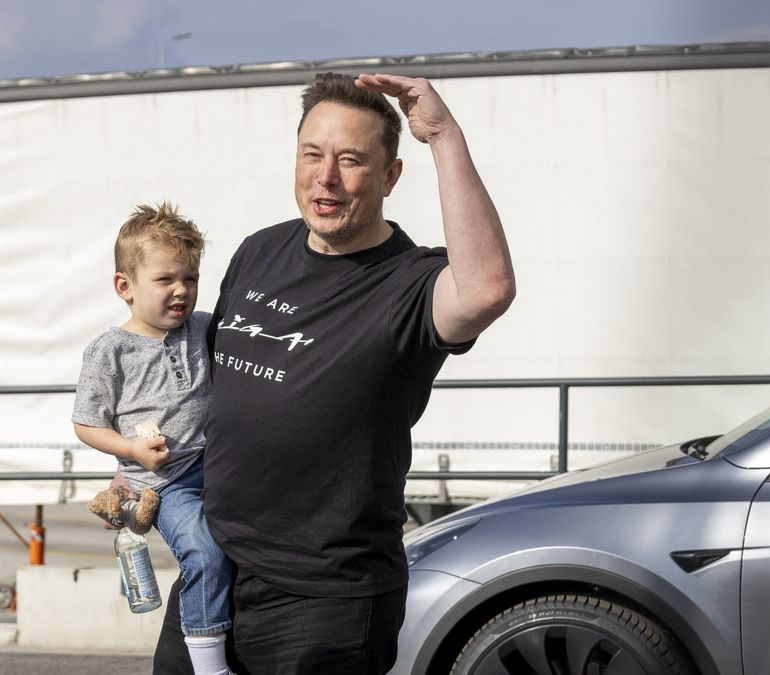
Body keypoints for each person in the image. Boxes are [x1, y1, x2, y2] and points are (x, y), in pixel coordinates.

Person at [153, 72, 515, 673]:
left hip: (327, 601)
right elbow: (212, 392)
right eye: (312, 155)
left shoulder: (410, 282)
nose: (326, 177)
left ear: (390, 176)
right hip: (213, 572)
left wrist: (444, 137)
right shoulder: (258, 251)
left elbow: (486, 289)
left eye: (350, 160)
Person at [73, 203, 235, 675]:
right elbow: (86, 423)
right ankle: (209, 666)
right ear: (125, 286)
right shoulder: (110, 351)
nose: (181, 290)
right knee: (204, 553)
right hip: (165, 484)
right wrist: (130, 451)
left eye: (190, 277)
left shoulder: (203, 327)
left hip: (220, 465)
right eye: (165, 279)